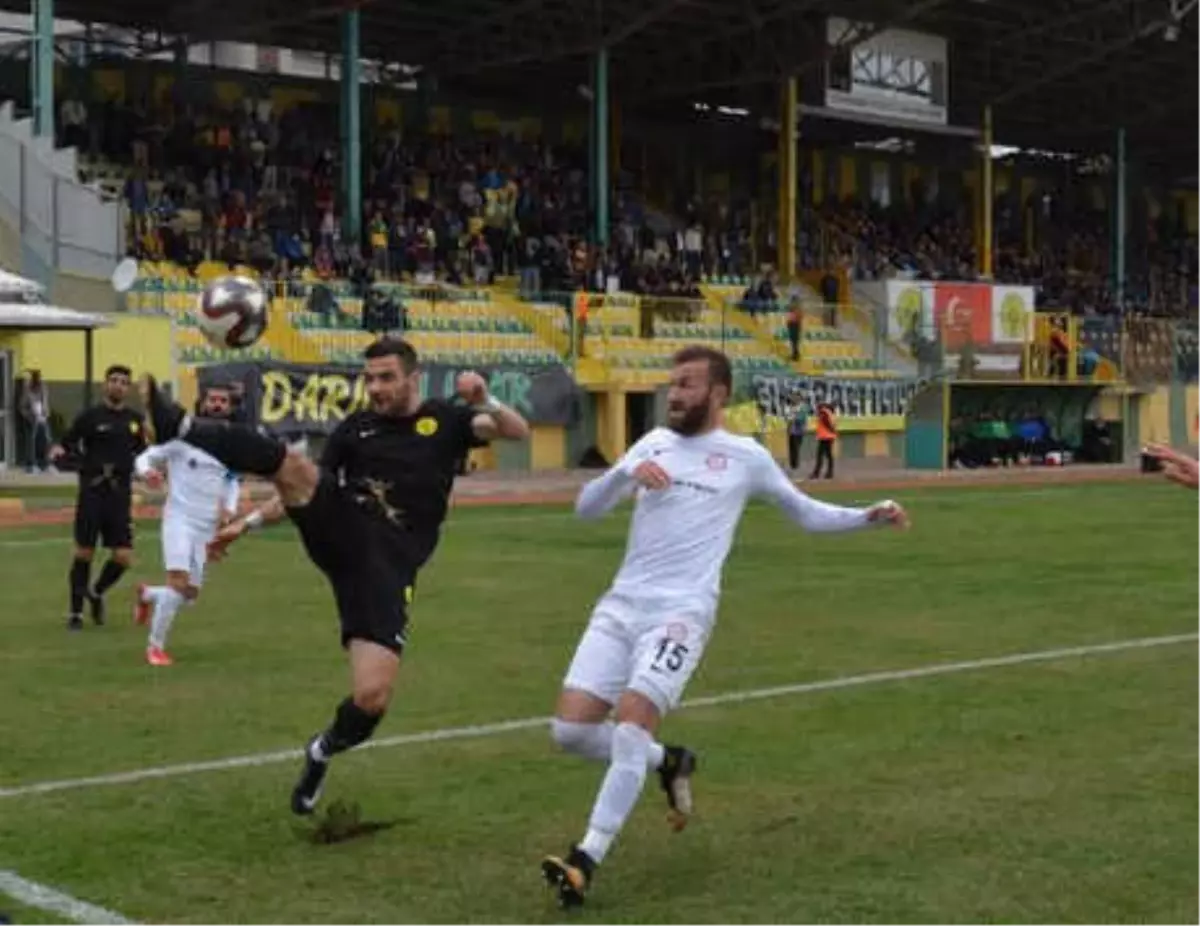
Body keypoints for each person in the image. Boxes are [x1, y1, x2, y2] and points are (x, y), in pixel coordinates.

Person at [540, 345, 909, 910]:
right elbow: (587, 509)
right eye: (672, 384)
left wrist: (866, 517)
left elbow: (804, 512)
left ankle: (584, 859)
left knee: (633, 722)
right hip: (620, 606)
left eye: (687, 384)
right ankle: (672, 762)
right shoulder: (652, 444)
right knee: (569, 732)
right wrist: (622, 472)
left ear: (718, 393)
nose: (675, 393)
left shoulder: (745, 456)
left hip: (681, 613)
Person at [137, 337, 530, 815]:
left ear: (413, 377)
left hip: (388, 566)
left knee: (371, 698)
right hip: (344, 529)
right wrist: (245, 524)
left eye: (386, 378)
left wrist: (483, 399)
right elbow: (303, 487)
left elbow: (516, 430)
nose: (375, 388)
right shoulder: (355, 428)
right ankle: (181, 425)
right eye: (369, 378)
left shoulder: (446, 420)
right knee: (294, 464)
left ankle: (320, 752)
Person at [132, 385, 242, 667]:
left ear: (231, 407)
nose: (217, 404)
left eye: (223, 401)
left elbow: (231, 480)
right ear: (202, 404)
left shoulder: (232, 446)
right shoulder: (183, 441)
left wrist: (229, 508)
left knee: (189, 595)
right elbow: (144, 456)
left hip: (206, 528)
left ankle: (147, 595)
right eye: (212, 400)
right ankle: (154, 649)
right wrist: (147, 473)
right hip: (179, 520)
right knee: (178, 583)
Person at [50, 365, 147, 631]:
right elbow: (64, 445)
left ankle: (96, 591)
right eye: (113, 380)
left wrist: (146, 472)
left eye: (124, 382)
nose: (118, 385)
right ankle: (75, 613)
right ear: (105, 385)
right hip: (92, 492)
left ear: (128, 389)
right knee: (84, 552)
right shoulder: (89, 417)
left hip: (120, 494)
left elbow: (143, 453)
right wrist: (79, 464)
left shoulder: (135, 420)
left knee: (124, 556)